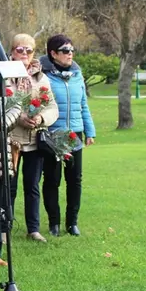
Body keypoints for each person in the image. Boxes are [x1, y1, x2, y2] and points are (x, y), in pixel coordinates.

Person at [39, 34, 96, 237]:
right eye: (65, 50)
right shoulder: (44, 76)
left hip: (75, 133)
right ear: (53, 54)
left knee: (75, 179)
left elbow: (83, 105)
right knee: (52, 180)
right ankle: (54, 223)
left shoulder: (77, 75)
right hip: (53, 133)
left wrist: (90, 131)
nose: (70, 54)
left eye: (72, 50)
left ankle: (72, 223)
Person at [6, 34, 58, 243]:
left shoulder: (41, 77)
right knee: (8, 187)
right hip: (12, 139)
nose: (24, 54)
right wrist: (20, 117)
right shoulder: (5, 74)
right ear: (12, 51)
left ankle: (33, 229)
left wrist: (41, 118)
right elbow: (1, 103)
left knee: (32, 186)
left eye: (29, 50)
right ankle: (4, 228)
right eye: (20, 49)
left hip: (35, 140)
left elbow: (52, 106)